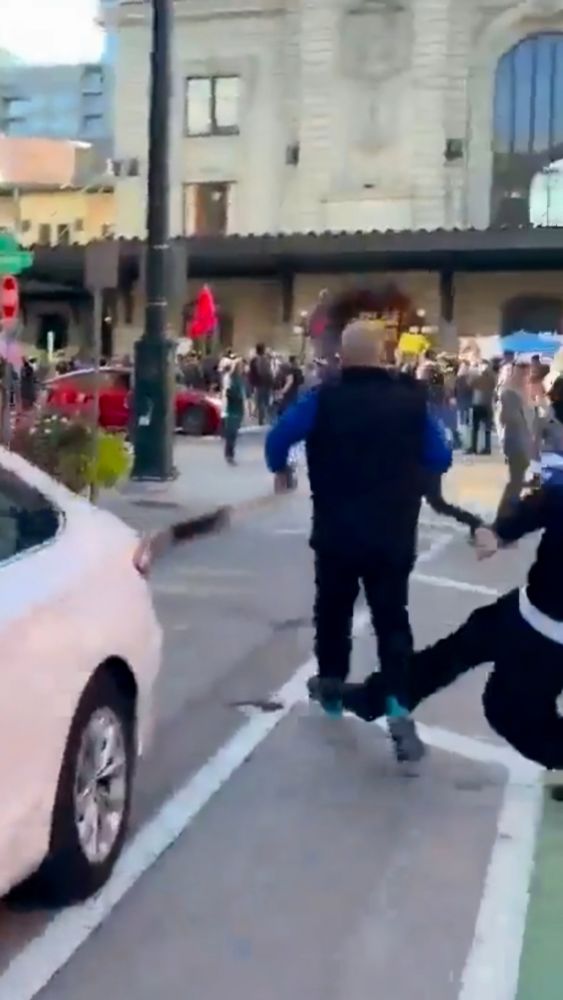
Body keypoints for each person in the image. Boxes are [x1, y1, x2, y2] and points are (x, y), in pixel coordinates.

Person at [326, 376, 563, 777]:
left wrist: (499, 532)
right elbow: (532, 511)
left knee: (506, 711)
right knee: (449, 653)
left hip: (550, 642)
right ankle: (372, 698)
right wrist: (495, 533)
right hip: (523, 611)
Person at [265, 320, 451, 763]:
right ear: (383, 354)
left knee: (333, 611)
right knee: (392, 619)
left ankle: (331, 689)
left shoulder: (322, 399)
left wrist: (282, 469)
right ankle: (397, 702)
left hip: (336, 532)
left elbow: (277, 440)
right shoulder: (411, 402)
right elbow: (440, 455)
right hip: (393, 532)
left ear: (342, 357)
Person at [495, 360, 535, 520]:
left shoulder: (520, 392)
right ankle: (504, 518)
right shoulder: (509, 393)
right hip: (515, 441)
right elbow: (509, 419)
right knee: (515, 483)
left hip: (520, 441)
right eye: (523, 371)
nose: (526, 375)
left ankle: (509, 516)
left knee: (516, 483)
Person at [468, 360, 496, 455]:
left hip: (484, 404)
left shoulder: (489, 378)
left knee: (484, 428)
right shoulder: (482, 377)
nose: (483, 368)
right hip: (479, 404)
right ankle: (475, 447)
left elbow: (471, 385)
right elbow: (470, 385)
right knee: (476, 428)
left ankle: (484, 448)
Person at [222, 358, 246, 465]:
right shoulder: (231, 378)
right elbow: (228, 392)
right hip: (232, 408)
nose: (242, 369)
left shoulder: (240, 379)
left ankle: (230, 453)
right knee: (231, 432)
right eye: (241, 367)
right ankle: (229, 454)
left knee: (234, 433)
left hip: (238, 408)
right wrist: (237, 397)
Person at [249, 344, 274, 425]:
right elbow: (267, 372)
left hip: (258, 384)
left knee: (260, 402)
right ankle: (266, 420)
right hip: (265, 383)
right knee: (265, 402)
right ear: (263, 350)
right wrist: (271, 382)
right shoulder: (264, 360)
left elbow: (251, 373)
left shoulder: (253, 360)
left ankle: (261, 420)